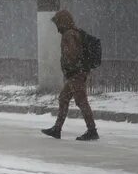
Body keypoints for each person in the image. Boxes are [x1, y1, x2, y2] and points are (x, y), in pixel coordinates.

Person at [42, 9, 99, 141]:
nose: (57, 26)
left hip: (76, 74)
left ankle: (92, 130)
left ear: (63, 22)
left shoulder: (69, 34)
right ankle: (57, 129)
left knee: (81, 101)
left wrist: (70, 67)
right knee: (63, 98)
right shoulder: (73, 32)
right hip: (76, 73)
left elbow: (72, 54)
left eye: (58, 23)